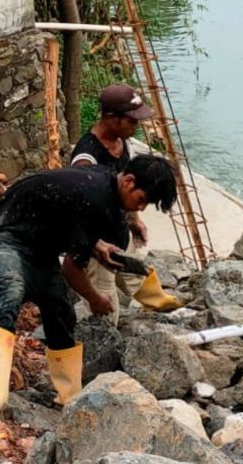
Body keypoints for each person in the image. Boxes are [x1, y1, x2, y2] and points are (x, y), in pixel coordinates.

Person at [0, 156, 179, 418]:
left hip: (41, 247)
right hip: (7, 236)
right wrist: (95, 298)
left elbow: (68, 219)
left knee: (60, 311)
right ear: (129, 181)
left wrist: (97, 245)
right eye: (142, 199)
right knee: (12, 292)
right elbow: (71, 269)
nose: (141, 208)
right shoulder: (96, 199)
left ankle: (69, 397)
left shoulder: (105, 180)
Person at [70, 84, 178, 321]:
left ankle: (161, 304)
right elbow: (77, 206)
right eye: (132, 121)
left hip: (117, 226)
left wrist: (134, 218)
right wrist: (95, 244)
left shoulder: (122, 143)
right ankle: (101, 339)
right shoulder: (86, 157)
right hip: (98, 243)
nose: (136, 126)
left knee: (135, 271)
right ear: (112, 118)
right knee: (106, 304)